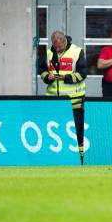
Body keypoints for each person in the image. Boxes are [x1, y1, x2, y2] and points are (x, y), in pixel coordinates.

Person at [39, 31, 87, 164]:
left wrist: (65, 78)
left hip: (74, 100)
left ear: (64, 41)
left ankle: (81, 158)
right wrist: (47, 77)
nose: (57, 49)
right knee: (54, 130)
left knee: (77, 131)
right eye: (55, 47)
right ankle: (56, 157)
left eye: (60, 46)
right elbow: (41, 70)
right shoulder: (49, 53)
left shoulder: (77, 51)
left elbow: (83, 73)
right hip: (53, 100)